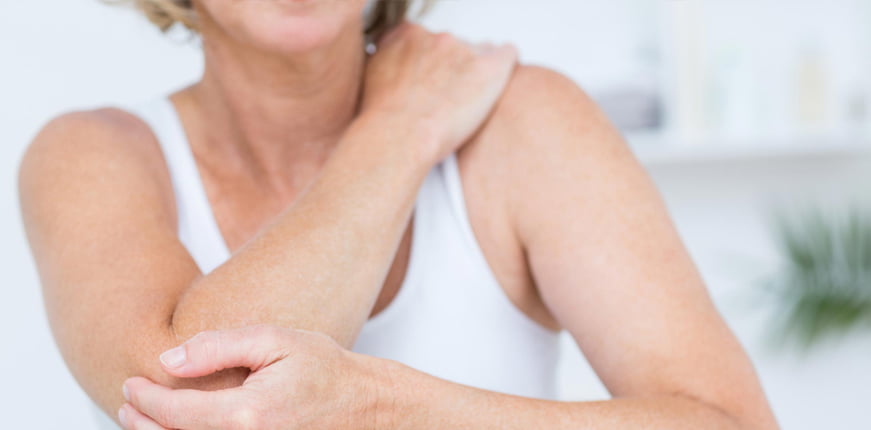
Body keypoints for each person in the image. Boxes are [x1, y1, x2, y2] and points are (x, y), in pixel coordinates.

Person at [18, 0, 779, 429]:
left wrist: (389, 408)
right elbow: (203, 406)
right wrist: (399, 131)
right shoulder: (93, 154)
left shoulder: (522, 123)